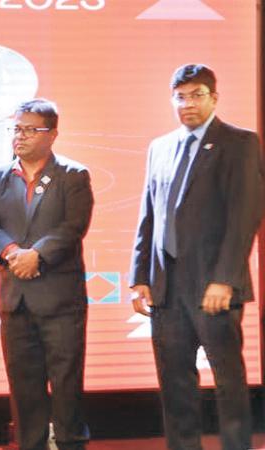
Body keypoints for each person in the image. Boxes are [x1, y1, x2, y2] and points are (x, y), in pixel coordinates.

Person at [129, 64, 263, 450]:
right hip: (166, 287)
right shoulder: (160, 147)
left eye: (197, 95)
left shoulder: (239, 143)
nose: (187, 103)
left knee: (228, 379)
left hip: (214, 284)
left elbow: (245, 216)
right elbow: (148, 216)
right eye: (180, 96)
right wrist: (140, 277)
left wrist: (226, 278)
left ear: (214, 98)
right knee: (175, 381)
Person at [0, 99, 93, 450]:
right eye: (16, 128)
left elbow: (73, 226)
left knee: (66, 383)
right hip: (15, 299)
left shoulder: (73, 175)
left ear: (52, 134)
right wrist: (12, 253)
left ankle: (71, 443)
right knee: (24, 386)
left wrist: (37, 255)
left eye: (30, 129)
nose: (20, 136)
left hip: (60, 300)